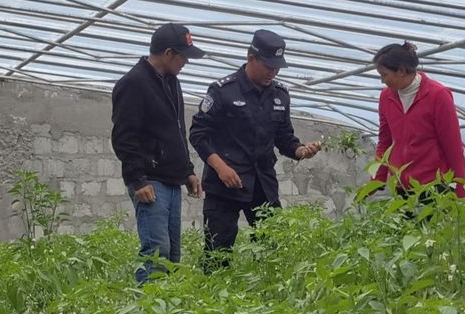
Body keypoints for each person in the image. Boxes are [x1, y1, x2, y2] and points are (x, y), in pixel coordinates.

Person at [189, 29, 321, 264]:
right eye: (268, 66)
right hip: (225, 185)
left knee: (271, 250)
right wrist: (221, 167)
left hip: (263, 184)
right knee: (217, 253)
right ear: (251, 58)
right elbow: (198, 134)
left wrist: (302, 150)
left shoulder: (280, 96)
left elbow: (284, 138)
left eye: (277, 67)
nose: (273, 72)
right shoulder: (223, 91)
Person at [111, 23, 205, 284]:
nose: (186, 62)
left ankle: (166, 305)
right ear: (168, 53)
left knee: (172, 255)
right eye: (183, 56)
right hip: (150, 182)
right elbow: (124, 138)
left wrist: (187, 170)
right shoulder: (134, 83)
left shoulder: (172, 83)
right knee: (156, 251)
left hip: (172, 180)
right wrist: (137, 180)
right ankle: (147, 305)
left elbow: (177, 131)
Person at [372, 41, 465, 197]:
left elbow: (453, 147)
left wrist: (460, 191)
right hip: (402, 187)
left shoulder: (438, 95)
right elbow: (385, 141)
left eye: (384, 75)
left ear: (401, 71)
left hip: (435, 188)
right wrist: (377, 178)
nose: (382, 81)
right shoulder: (386, 97)